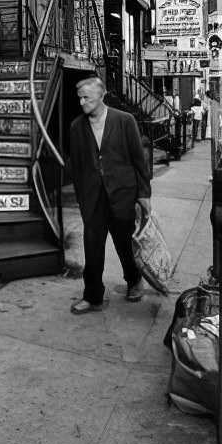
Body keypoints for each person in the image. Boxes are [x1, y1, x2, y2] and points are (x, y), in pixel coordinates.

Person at [64, 77, 151, 314]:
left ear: (101, 96)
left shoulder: (125, 121)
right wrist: (82, 193)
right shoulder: (76, 127)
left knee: (124, 243)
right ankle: (92, 296)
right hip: (92, 198)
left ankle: (133, 280)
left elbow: (139, 159)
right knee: (92, 246)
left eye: (87, 98)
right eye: (80, 97)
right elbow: (76, 163)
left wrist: (144, 194)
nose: (82, 102)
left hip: (122, 193)